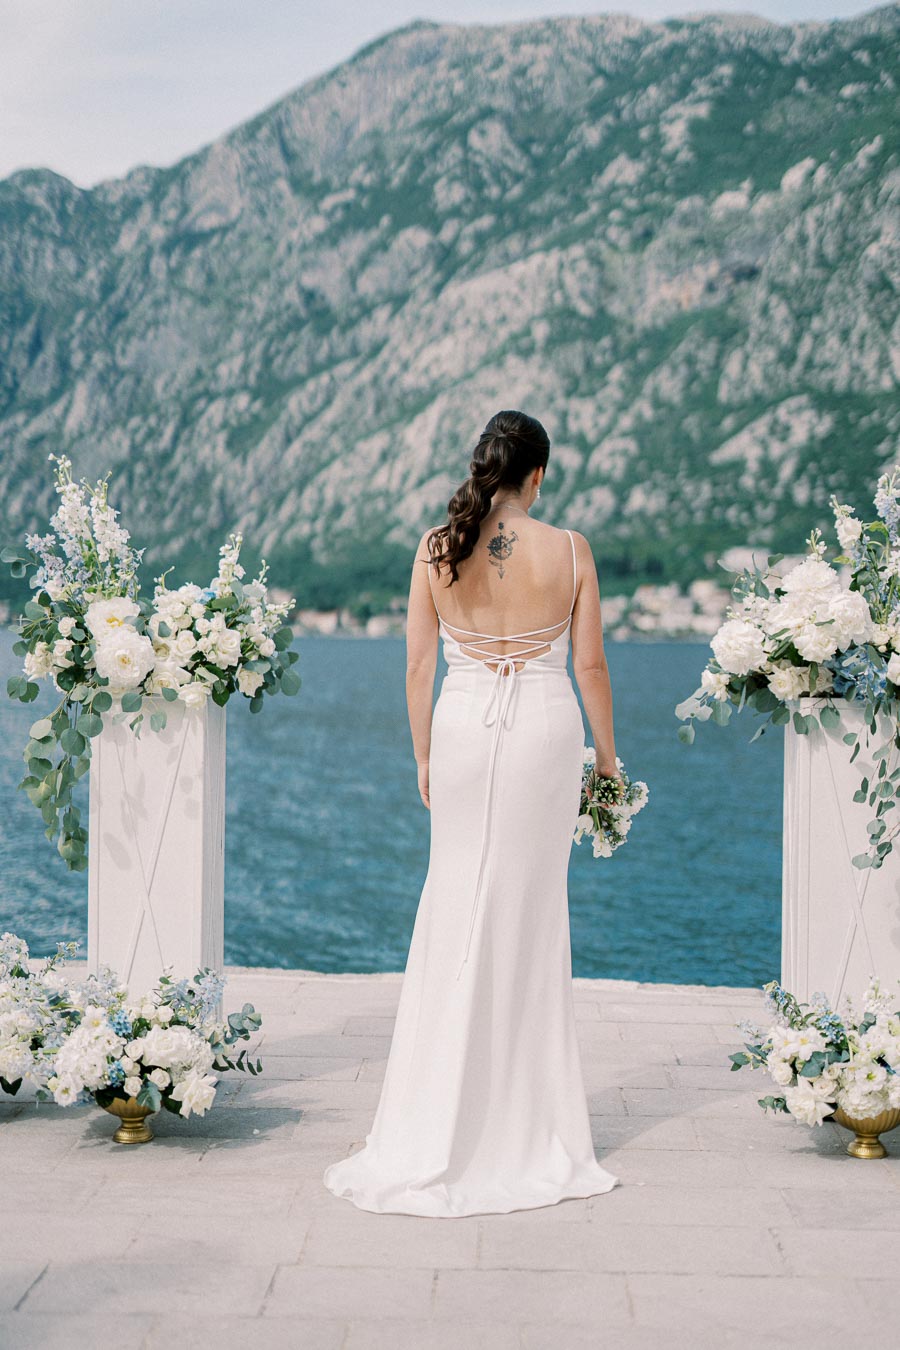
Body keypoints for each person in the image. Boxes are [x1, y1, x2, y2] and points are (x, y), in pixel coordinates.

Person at [322, 409, 622, 1217]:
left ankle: (434, 1110)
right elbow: (588, 663)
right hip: (544, 730)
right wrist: (608, 757)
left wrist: (422, 754)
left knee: (453, 901)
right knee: (529, 911)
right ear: (539, 474)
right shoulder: (570, 549)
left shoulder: (434, 548)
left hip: (459, 730)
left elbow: (420, 663)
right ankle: (524, 1121)